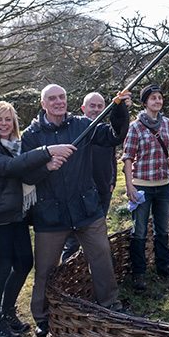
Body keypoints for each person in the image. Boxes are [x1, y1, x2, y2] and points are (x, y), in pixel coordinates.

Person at [21, 84, 131, 337]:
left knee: (102, 257)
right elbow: (25, 172)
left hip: (86, 208)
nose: (59, 101)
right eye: (52, 98)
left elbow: (115, 136)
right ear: (43, 104)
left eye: (62, 97)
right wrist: (46, 165)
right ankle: (43, 317)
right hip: (51, 214)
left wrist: (119, 110)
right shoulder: (32, 135)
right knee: (45, 269)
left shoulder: (83, 125)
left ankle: (110, 305)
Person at [0, 101, 75, 337]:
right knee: (0, 271)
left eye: (8, 119)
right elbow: (9, 168)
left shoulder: (15, 146)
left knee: (24, 264)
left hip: (16, 215)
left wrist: (46, 168)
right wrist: (47, 151)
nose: (4, 124)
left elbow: (25, 175)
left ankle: (8, 312)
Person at [121, 84, 169, 291]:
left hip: (164, 186)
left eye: (160, 98)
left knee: (162, 228)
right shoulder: (135, 127)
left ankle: (163, 265)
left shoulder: (166, 123)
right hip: (142, 186)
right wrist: (129, 186)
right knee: (139, 230)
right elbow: (127, 158)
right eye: (153, 98)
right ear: (145, 102)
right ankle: (139, 273)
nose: (158, 101)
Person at [61, 91, 129, 263]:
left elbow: (112, 158)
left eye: (100, 106)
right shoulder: (75, 131)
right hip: (78, 194)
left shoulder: (106, 131)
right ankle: (67, 274)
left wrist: (112, 180)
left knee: (97, 234)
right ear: (84, 108)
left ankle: (95, 272)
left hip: (103, 190)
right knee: (73, 240)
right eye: (92, 106)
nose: (96, 110)